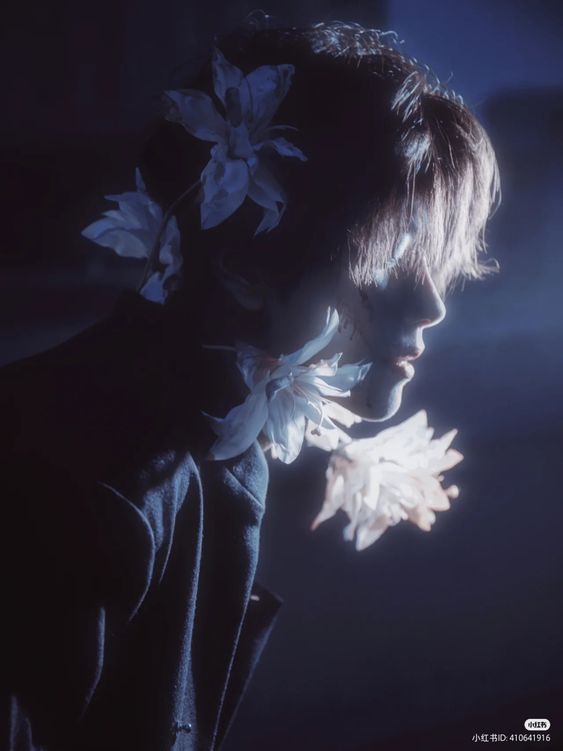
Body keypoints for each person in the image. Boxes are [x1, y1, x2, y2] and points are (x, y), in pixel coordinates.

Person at [0, 20, 500, 751]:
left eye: (438, 258)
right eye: (394, 255)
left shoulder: (193, 439)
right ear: (245, 266)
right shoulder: (87, 490)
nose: (433, 304)